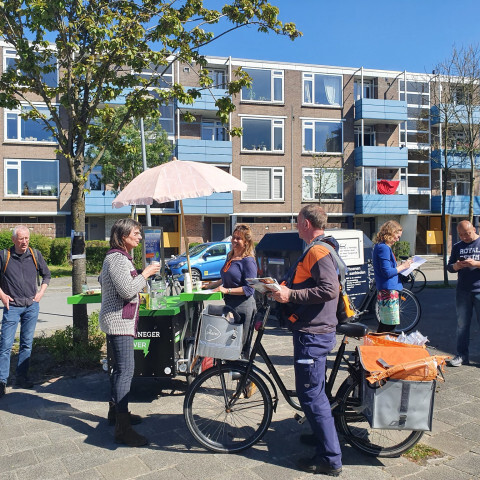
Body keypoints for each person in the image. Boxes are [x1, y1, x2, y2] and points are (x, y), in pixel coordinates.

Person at [272, 205, 342, 477]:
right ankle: (321, 436)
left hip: (313, 333)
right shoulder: (321, 248)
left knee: (311, 396)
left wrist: (290, 296)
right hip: (314, 330)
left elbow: (329, 289)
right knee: (315, 392)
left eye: (297, 220)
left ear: (306, 223)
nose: (295, 224)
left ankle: (330, 459)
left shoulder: (317, 251)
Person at [99, 218, 160, 446]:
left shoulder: (120, 258)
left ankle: (115, 414)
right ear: (123, 236)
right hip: (119, 323)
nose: (140, 237)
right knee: (125, 371)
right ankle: (122, 429)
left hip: (120, 320)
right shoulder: (116, 258)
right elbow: (126, 291)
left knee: (119, 370)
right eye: (136, 233)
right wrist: (146, 274)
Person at [0, 225, 51, 398]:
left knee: (26, 344)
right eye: (21, 239)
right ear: (13, 239)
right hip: (12, 307)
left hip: (31, 306)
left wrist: (41, 293)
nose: (24, 242)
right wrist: (2, 296)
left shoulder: (35, 254)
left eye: (27, 238)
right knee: (5, 346)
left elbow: (47, 275)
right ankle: (2, 381)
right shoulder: (4, 255)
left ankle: (21, 378)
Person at [206, 224, 257, 351]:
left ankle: (242, 364)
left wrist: (226, 290)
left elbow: (249, 289)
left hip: (243, 307)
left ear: (246, 242)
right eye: (234, 237)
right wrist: (210, 285)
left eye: (239, 238)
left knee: (240, 346)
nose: (234, 240)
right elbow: (226, 277)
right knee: (229, 343)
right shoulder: (230, 256)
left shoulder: (248, 261)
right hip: (230, 305)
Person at [446, 219, 480, 367]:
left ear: (474, 229)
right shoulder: (457, 246)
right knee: (462, 325)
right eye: (461, 235)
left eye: (467, 233)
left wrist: (476, 264)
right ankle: (461, 356)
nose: (464, 237)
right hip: (463, 291)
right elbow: (449, 267)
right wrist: (456, 266)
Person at [372, 220, 412, 333]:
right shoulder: (384, 248)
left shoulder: (381, 246)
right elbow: (387, 272)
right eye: (397, 236)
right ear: (391, 233)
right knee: (389, 325)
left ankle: (379, 343)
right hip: (388, 290)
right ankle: (380, 343)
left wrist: (401, 266)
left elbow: (387, 268)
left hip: (387, 289)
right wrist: (403, 266)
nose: (398, 240)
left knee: (386, 323)